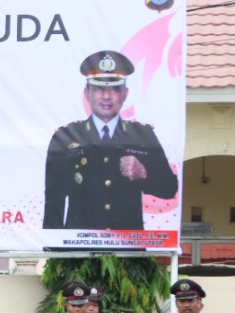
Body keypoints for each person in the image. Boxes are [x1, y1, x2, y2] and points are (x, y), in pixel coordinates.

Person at [42, 50, 178, 230]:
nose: (106, 96)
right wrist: (56, 251)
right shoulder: (66, 138)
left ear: (125, 93)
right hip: (80, 246)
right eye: (99, 88)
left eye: (114, 88)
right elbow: (54, 203)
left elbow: (169, 189)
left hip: (127, 248)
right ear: (87, 93)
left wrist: (144, 173)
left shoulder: (142, 136)